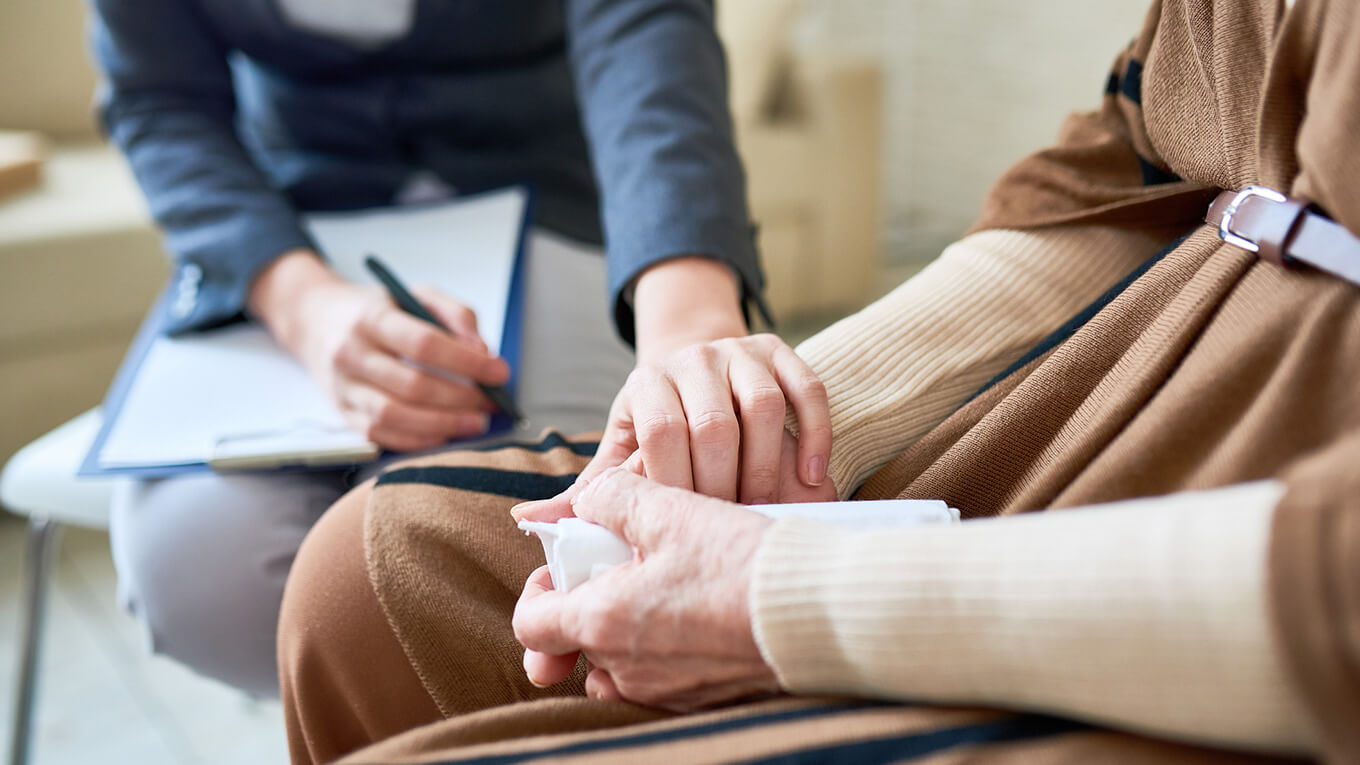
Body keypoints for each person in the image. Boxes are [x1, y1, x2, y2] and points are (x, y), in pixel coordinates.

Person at [278, 0, 1360, 762]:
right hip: (1110, 381)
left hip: (1290, 596)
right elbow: (1129, 162)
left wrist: (785, 603)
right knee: (365, 574)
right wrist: (782, 420)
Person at [90, 0, 836, 697]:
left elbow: (644, 29)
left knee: (540, 560)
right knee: (198, 579)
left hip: (556, 202)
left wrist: (688, 318)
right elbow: (159, 100)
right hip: (285, 237)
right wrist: (305, 307)